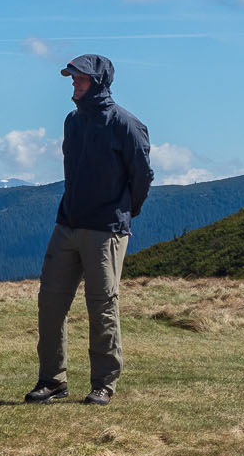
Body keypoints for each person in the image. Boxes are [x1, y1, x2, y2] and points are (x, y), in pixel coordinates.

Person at [25, 54, 153, 406]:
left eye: (79, 78)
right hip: (68, 224)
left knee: (102, 306)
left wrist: (125, 214)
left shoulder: (127, 125)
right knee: (50, 303)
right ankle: (52, 380)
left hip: (106, 230)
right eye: (72, 77)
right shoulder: (72, 121)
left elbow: (142, 177)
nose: (73, 83)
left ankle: (104, 383)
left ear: (97, 82)